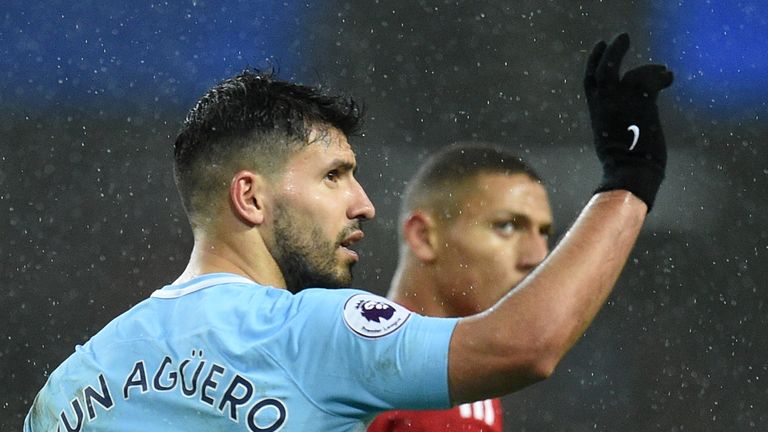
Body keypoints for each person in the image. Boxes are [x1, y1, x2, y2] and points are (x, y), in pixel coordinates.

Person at [24, 32, 673, 431]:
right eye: (335, 176)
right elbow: (523, 346)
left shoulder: (69, 387)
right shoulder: (307, 331)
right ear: (250, 197)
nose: (363, 204)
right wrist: (630, 178)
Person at [368, 144, 553, 432]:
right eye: (506, 226)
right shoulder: (408, 370)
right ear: (424, 236)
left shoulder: (461, 363)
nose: (538, 256)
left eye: (543, 233)